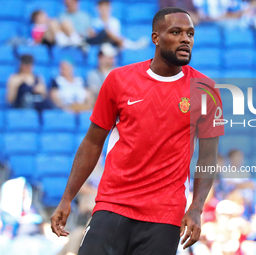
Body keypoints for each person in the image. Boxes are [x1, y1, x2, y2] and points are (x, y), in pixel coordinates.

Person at [50, 7, 224, 255]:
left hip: (165, 215)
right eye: (176, 32)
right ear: (156, 37)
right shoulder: (119, 79)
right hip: (113, 205)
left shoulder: (206, 90)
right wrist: (67, 197)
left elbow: (208, 156)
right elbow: (92, 143)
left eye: (190, 33)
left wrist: (196, 207)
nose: (186, 39)